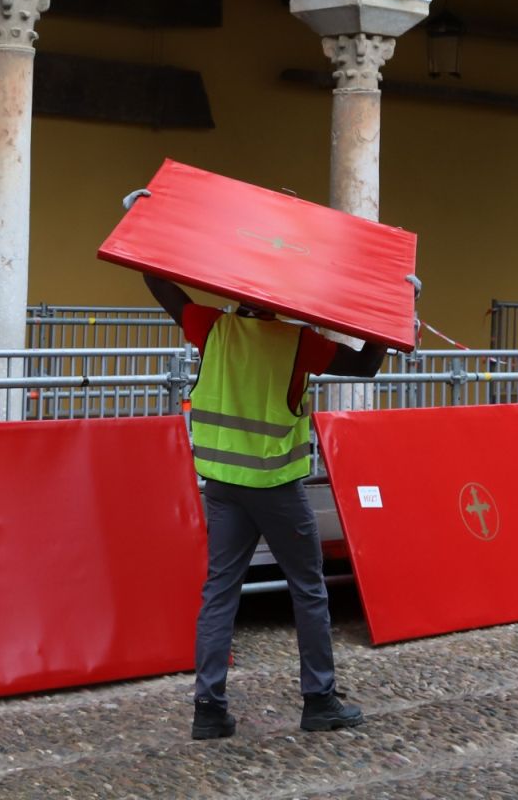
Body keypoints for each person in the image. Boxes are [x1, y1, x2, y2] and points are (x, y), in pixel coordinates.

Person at [144, 271, 386, 740]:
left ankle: (208, 710)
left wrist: (142, 228)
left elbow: (164, 289)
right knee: (308, 589)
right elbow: (366, 366)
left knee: (219, 593)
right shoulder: (298, 342)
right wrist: (389, 311)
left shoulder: (210, 325)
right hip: (276, 485)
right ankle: (319, 700)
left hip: (221, 484)